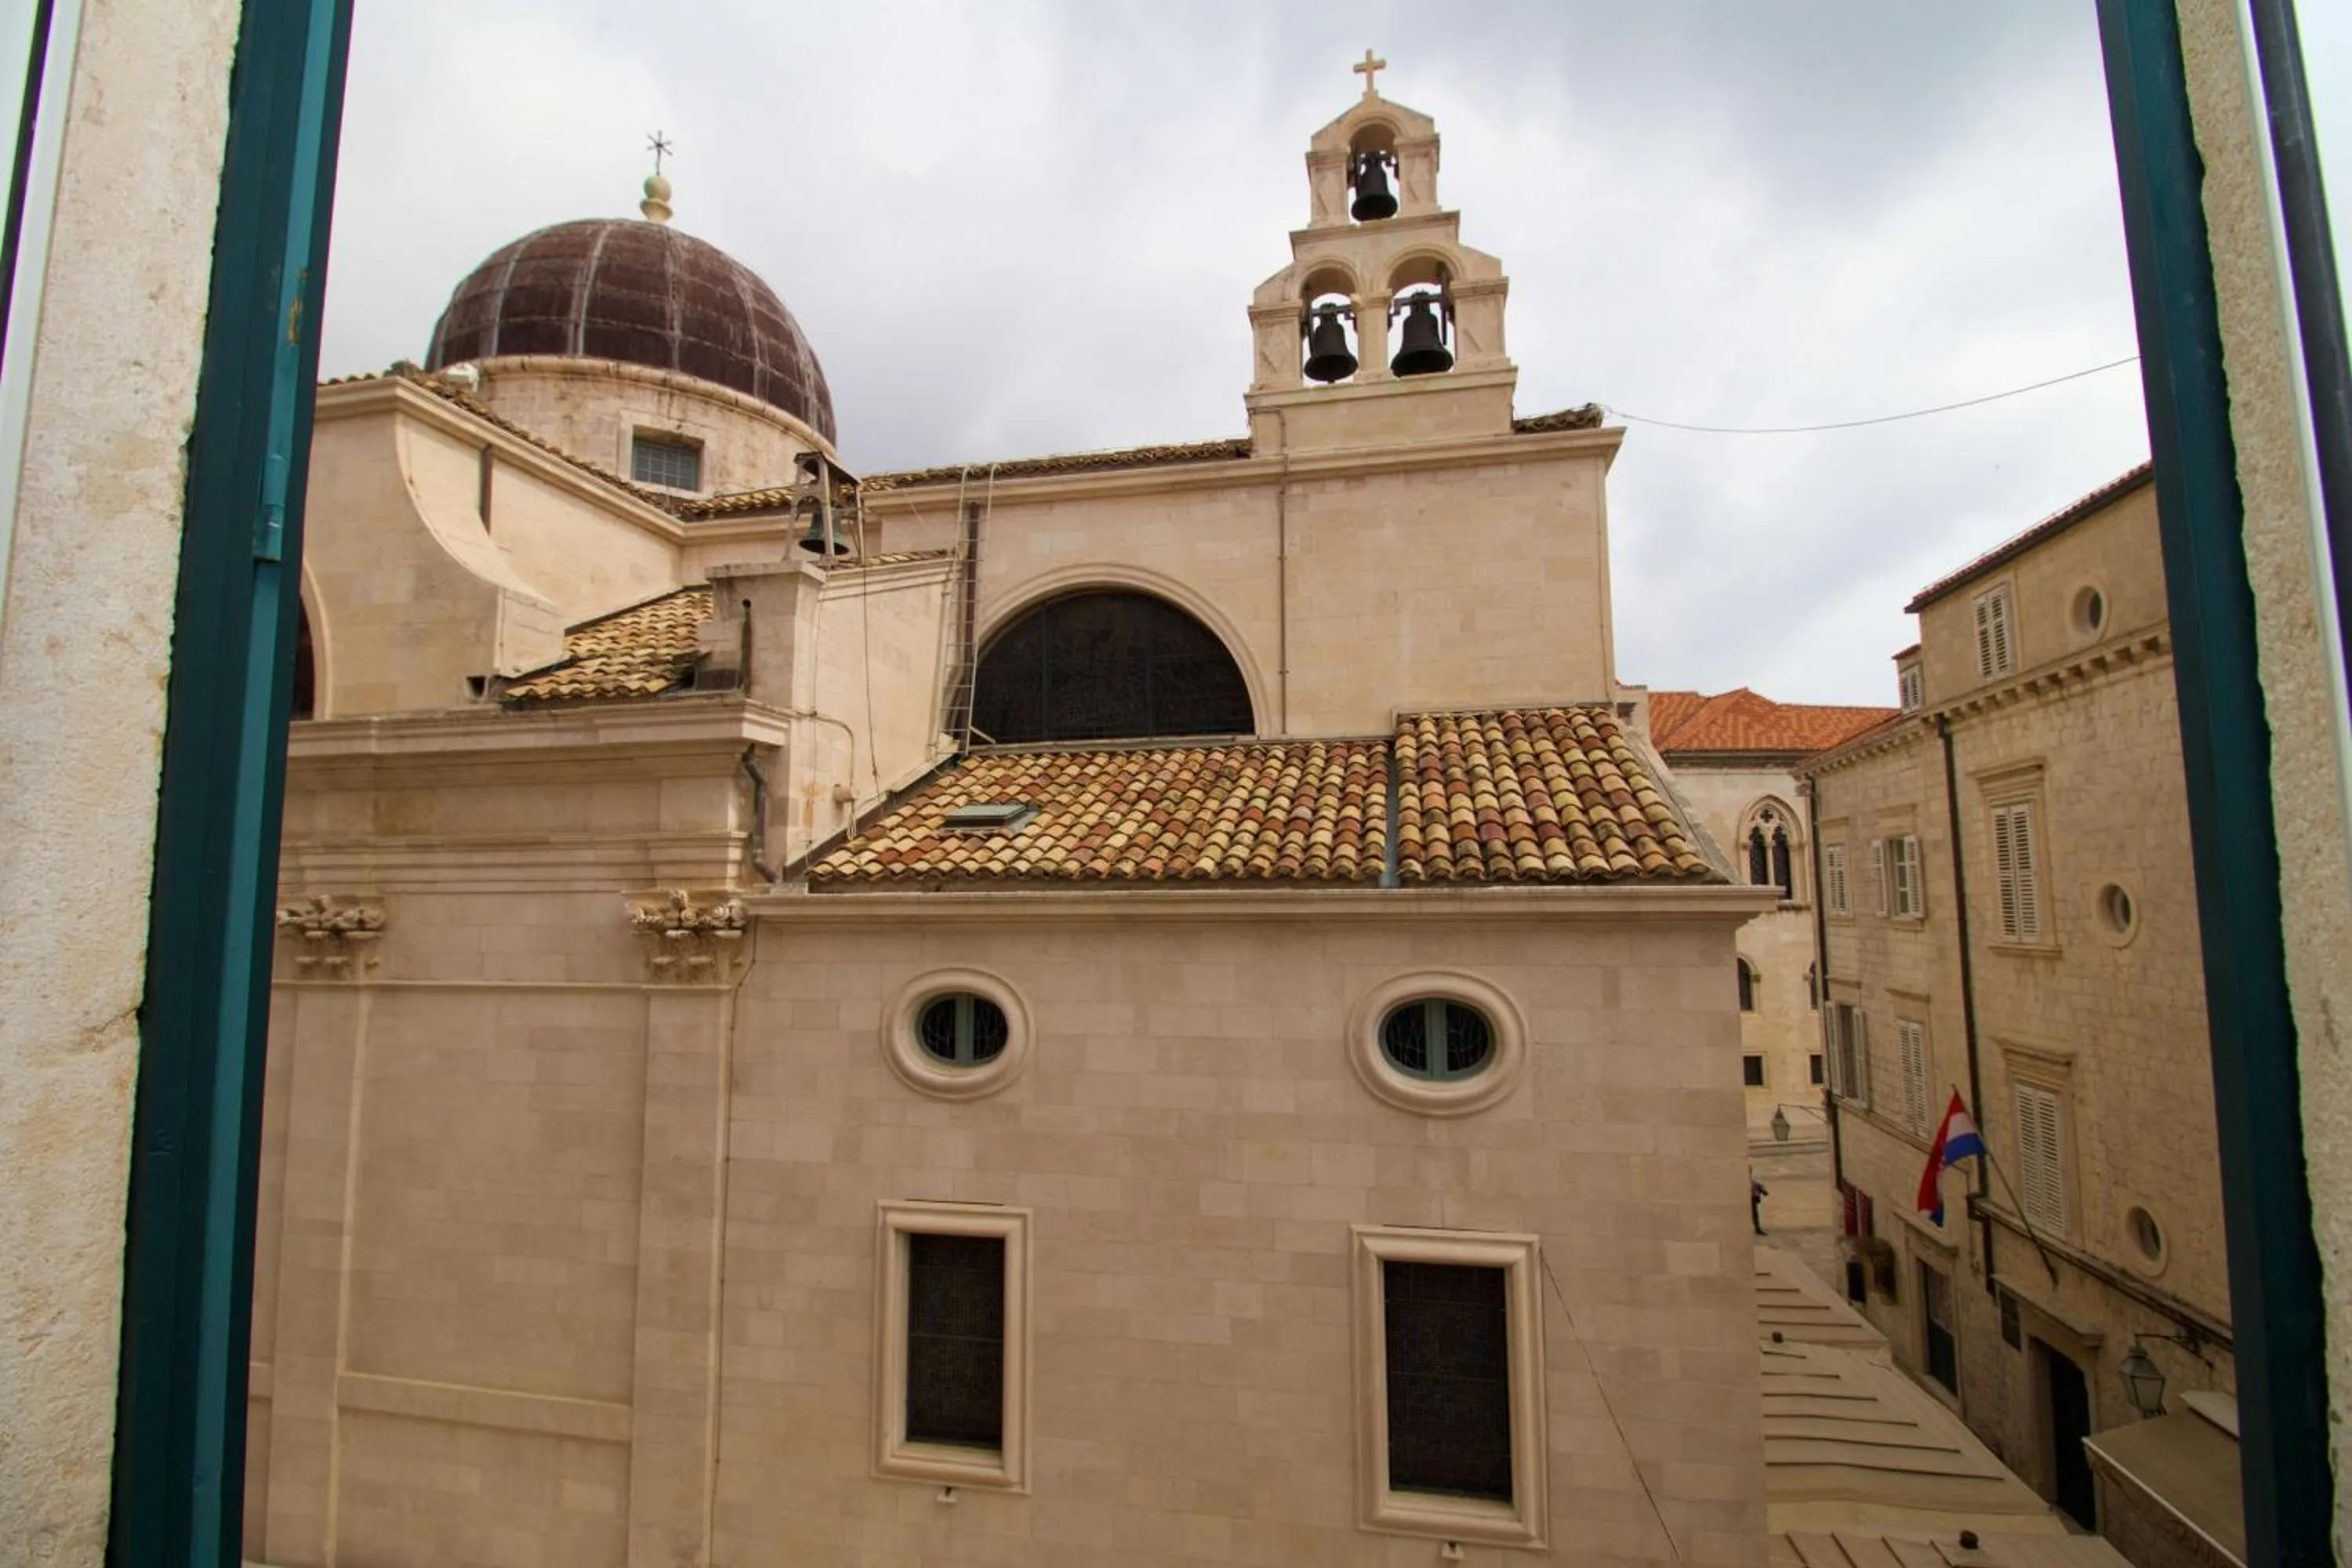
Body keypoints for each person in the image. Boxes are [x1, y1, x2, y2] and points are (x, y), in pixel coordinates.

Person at [1751, 1170, 1769, 1236]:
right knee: (1754, 1215)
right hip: (1752, 1198)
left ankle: (1757, 1229)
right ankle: (1757, 1229)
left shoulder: (1753, 1180)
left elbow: (1759, 1186)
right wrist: (1764, 1192)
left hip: (1752, 1198)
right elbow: (1759, 1186)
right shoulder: (1753, 1181)